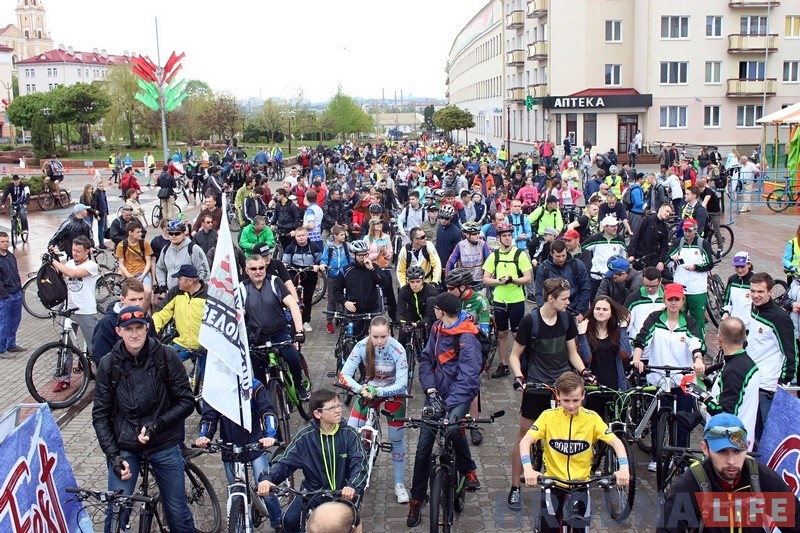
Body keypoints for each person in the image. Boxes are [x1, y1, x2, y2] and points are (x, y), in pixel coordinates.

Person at [92, 306, 195, 532]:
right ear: (119, 332)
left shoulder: (166, 356)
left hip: (163, 443)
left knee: (177, 513)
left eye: (139, 328)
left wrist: (157, 425)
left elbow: (187, 401)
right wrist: (113, 456)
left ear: (147, 329)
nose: (134, 334)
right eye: (129, 329)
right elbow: (100, 415)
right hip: (126, 446)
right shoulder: (109, 365)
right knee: (117, 511)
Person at [505, 278, 591, 510]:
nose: (569, 302)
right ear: (550, 298)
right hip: (536, 385)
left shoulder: (567, 320)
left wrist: (584, 371)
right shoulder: (529, 321)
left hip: (562, 386)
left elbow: (572, 352)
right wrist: (519, 377)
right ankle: (515, 486)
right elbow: (515, 355)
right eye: (564, 298)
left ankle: (563, 485)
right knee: (524, 435)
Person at [519, 372, 630, 532]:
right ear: (557, 396)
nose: (571, 405)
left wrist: (624, 468)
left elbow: (616, 442)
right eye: (566, 400)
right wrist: (528, 468)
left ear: (583, 395)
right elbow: (526, 441)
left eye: (576, 400)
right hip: (553, 483)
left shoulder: (592, 418)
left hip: (581, 485)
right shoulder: (547, 416)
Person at [407, 292, 482, 527]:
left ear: (440, 310)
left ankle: (468, 469)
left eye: (435, 308)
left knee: (452, 428)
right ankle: (417, 500)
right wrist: (429, 389)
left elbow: (469, 378)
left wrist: (448, 406)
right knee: (422, 449)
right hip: (436, 395)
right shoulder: (438, 328)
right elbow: (427, 360)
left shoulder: (467, 338)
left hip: (458, 396)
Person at [658, 413, 800, 533]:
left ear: (748, 445)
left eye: (737, 451)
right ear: (705, 449)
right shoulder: (689, 486)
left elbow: (795, 521)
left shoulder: (762, 479)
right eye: (722, 451)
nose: (731, 461)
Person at [257, 389, 366, 533]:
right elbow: (284, 462)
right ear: (317, 413)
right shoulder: (305, 437)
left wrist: (352, 485)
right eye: (332, 408)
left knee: (345, 526)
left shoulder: (350, 435)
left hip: (342, 493)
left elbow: (360, 464)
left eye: (339, 405)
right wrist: (267, 478)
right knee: (288, 520)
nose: (338, 410)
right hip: (311, 492)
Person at [632, 283, 705, 472]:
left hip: (683, 378)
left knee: (683, 419)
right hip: (660, 377)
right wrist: (637, 358)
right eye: (670, 299)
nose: (673, 303)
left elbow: (695, 343)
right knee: (658, 418)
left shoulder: (689, 322)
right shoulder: (655, 318)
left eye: (677, 299)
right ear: (665, 300)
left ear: (682, 301)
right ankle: (657, 456)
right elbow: (642, 338)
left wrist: (698, 359)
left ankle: (681, 456)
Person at [195, 377, 283, 532]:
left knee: (265, 485)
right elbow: (209, 416)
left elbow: (267, 411)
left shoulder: (254, 386)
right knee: (236, 491)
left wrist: (269, 435)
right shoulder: (216, 391)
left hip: (254, 444)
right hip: (230, 447)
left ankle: (279, 522)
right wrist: (205, 436)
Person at [338, 316, 409, 503]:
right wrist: (361, 389)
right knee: (351, 432)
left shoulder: (398, 349)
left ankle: (399, 484)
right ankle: (348, 478)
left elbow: (402, 384)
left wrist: (379, 390)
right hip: (368, 391)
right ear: (369, 333)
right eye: (375, 337)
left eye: (383, 337)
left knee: (396, 438)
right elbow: (344, 375)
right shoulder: (361, 346)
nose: (379, 341)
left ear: (390, 333)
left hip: (393, 393)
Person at [238, 254, 309, 401]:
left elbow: (292, 306)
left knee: (292, 356)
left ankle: (299, 385)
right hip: (257, 336)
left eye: (261, 267)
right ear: (247, 270)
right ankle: (265, 406)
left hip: (279, 331)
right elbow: (237, 314)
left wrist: (299, 331)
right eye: (254, 268)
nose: (258, 271)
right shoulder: (242, 288)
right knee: (258, 374)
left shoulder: (274, 281)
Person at [747, 272, 797, 442]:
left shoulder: (779, 319)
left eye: (760, 292)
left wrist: (782, 380)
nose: (755, 295)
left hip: (767, 386)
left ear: (770, 291)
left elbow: (790, 353)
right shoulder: (755, 310)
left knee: (766, 436)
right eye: (753, 291)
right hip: (752, 381)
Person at [482, 222, 533, 379]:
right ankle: (504, 364)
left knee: (517, 334)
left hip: (516, 300)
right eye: (504, 236)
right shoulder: (494, 256)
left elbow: (528, 278)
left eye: (509, 235)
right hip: (499, 300)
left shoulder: (520, 254)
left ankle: (522, 363)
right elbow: (485, 279)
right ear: (498, 238)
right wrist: (499, 281)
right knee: (502, 334)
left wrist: (512, 280)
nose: (507, 238)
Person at [50, 235, 99, 390]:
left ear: (87, 251)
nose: (75, 253)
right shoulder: (70, 263)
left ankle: (102, 374)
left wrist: (54, 261)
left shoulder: (92, 265)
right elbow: (63, 272)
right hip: (69, 310)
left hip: (86, 310)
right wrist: (55, 257)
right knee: (66, 346)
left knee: (94, 346)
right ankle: (64, 378)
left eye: (78, 251)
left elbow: (74, 274)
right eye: (73, 250)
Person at [577, 296, 632, 417]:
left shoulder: (616, 331)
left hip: (615, 387)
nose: (600, 312)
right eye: (597, 308)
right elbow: (586, 358)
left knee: (617, 428)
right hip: (593, 388)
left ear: (611, 313)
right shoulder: (585, 331)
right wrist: (581, 335)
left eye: (605, 309)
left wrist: (623, 329)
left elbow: (626, 354)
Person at [91, 278, 158, 365]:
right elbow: (101, 355)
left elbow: (154, 347)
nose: (138, 303)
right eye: (133, 299)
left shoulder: (146, 318)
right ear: (122, 299)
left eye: (141, 299)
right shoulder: (108, 322)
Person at [335, 240, 390, 339]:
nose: (364, 258)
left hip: (372, 310)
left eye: (365, 254)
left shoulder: (373, 267)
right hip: (354, 312)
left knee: (374, 341)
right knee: (353, 340)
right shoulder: (345, 270)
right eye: (360, 255)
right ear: (353, 255)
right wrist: (345, 302)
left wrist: (372, 269)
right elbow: (336, 291)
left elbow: (385, 283)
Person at [670, 218, 714, 337]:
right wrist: (672, 259)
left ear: (695, 230)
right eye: (685, 231)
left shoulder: (702, 243)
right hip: (680, 288)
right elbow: (666, 259)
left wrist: (696, 267)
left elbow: (710, 264)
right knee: (679, 317)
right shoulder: (678, 243)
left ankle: (700, 346)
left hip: (697, 289)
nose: (687, 233)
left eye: (689, 231)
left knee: (697, 319)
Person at [534, 239, 591, 320]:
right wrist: (544, 310)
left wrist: (580, 311)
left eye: (563, 255)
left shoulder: (577, 265)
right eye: (558, 256)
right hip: (553, 310)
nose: (561, 259)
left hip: (575, 309)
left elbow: (586, 289)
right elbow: (539, 292)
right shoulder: (543, 268)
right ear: (551, 254)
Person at [282, 226, 323, 332]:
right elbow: (285, 260)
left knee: (308, 298)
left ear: (307, 235)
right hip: (294, 271)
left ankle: (306, 321)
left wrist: (317, 265)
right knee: (292, 297)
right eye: (298, 236)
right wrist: (286, 265)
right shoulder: (290, 248)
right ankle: (293, 320)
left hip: (309, 272)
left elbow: (320, 260)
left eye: (303, 235)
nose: (301, 238)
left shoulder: (314, 247)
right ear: (295, 237)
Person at [624, 267, 665, 364]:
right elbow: (625, 323)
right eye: (646, 286)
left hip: (661, 352)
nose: (650, 289)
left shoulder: (667, 298)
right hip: (639, 351)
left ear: (660, 282)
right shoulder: (633, 298)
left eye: (654, 286)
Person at [155, 220, 210, 290]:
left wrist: (197, 289)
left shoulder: (194, 249)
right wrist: (162, 285)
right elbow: (160, 267)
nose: (174, 236)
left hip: (190, 292)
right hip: (171, 292)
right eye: (171, 233)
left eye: (177, 233)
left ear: (184, 234)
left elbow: (204, 272)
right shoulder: (166, 249)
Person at [583, 215, 628, 297]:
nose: (615, 228)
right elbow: (582, 249)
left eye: (616, 226)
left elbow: (623, 256)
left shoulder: (620, 239)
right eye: (612, 226)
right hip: (597, 277)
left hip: (613, 278)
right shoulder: (596, 238)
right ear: (605, 227)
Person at [115, 221, 154, 312]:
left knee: (147, 291)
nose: (141, 234)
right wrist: (127, 274)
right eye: (138, 232)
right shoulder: (121, 245)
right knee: (129, 296)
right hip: (129, 274)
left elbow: (148, 261)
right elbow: (121, 263)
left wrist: (144, 274)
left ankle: (143, 313)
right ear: (130, 233)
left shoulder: (144, 243)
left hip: (142, 272)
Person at [396, 265, 439, 347]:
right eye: (412, 282)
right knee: (402, 334)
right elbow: (399, 313)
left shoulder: (431, 291)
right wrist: (403, 324)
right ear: (408, 281)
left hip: (427, 314)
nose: (415, 285)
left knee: (430, 338)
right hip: (412, 313)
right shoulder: (404, 291)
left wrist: (417, 324)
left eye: (418, 281)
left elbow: (429, 317)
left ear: (423, 280)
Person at [627, 203, 673, 272]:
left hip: (653, 260)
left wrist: (661, 261)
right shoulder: (647, 219)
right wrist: (631, 254)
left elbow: (664, 247)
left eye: (670, 213)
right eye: (667, 211)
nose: (668, 214)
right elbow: (636, 237)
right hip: (639, 258)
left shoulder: (664, 228)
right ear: (661, 209)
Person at [0, 232, 23, 356]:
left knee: (15, 320)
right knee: (4, 323)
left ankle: (11, 344)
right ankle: (1, 348)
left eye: (6, 241)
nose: (5, 243)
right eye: (2, 241)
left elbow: (16, 272)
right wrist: (5, 295)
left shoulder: (11, 256)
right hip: (5, 296)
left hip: (16, 292)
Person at [721, 251, 754, 327]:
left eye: (742, 266)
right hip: (734, 324)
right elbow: (727, 301)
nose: (739, 270)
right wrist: (725, 312)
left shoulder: (754, 281)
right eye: (737, 266)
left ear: (749, 264)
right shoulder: (732, 279)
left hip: (749, 325)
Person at [1, 174, 30, 240]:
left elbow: (27, 194)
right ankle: (14, 229)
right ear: (13, 181)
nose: (16, 182)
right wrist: (2, 203)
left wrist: (26, 203)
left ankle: (25, 229)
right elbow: (5, 194)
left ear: (19, 180)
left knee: (22, 214)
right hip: (14, 204)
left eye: (17, 180)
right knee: (12, 216)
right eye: (14, 180)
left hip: (22, 204)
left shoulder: (24, 186)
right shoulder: (10, 187)